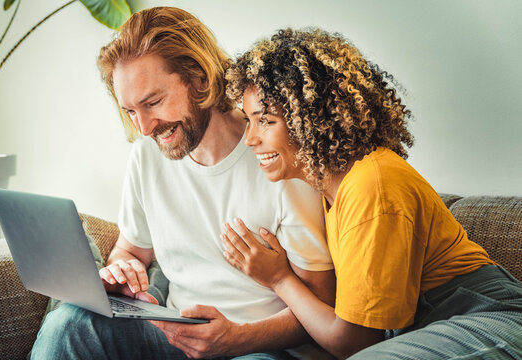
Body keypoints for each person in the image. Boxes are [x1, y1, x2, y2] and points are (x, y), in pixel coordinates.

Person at [30, 8, 337, 359]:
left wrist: (238, 338)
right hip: (174, 337)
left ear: (199, 79)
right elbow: (132, 249)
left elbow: (321, 302)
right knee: (70, 323)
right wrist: (124, 267)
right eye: (130, 111)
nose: (144, 128)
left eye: (153, 102)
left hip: (259, 347)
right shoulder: (147, 157)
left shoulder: (279, 159)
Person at [222, 28, 522, 359]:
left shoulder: (371, 186)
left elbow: (355, 343)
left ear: (314, 119)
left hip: (488, 318)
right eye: (247, 120)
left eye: (265, 121)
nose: (250, 139)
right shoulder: (330, 188)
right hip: (432, 326)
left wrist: (279, 279)